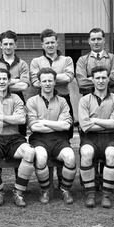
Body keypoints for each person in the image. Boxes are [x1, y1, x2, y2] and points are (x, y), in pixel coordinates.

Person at [0, 68, 35, 207]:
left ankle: (19, 192)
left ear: (9, 81)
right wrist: (11, 119)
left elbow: (22, 119)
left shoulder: (16, 98)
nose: (1, 81)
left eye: (4, 79)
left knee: (29, 152)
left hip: (14, 138)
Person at [26, 68, 77, 205]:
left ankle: (65, 189)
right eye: (44, 81)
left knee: (70, 157)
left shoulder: (62, 101)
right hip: (39, 139)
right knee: (41, 158)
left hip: (60, 139)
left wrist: (43, 121)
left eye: (50, 80)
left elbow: (66, 126)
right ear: (40, 83)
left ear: (55, 82)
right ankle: (45, 190)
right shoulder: (31, 101)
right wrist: (56, 124)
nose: (47, 83)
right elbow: (34, 127)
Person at [78, 66, 114, 208]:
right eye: (97, 78)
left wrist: (95, 120)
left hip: (112, 138)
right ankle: (90, 194)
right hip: (90, 138)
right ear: (92, 80)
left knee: (111, 153)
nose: (100, 81)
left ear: (108, 79)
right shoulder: (85, 100)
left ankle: (106, 195)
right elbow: (85, 126)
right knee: (86, 152)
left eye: (103, 77)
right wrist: (110, 123)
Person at [30, 29, 75, 137]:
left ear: (57, 43)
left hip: (64, 99)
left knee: (65, 132)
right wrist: (59, 76)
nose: (50, 45)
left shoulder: (67, 60)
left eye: (52, 42)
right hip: (43, 101)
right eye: (47, 43)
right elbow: (35, 82)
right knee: (43, 130)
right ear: (42, 45)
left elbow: (69, 77)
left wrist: (45, 78)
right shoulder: (36, 61)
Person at [0, 30, 30, 137]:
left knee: (20, 132)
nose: (8, 46)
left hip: (18, 100)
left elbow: (24, 86)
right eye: (5, 44)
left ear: (15, 45)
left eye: (11, 44)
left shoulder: (22, 64)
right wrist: (15, 81)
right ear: (0, 45)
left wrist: (4, 83)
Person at [76, 27, 114, 96]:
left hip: (111, 98)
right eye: (93, 39)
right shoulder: (82, 60)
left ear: (104, 40)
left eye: (99, 39)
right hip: (89, 99)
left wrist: (91, 79)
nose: (96, 42)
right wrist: (105, 79)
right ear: (89, 41)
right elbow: (81, 82)